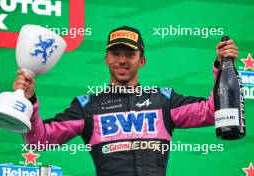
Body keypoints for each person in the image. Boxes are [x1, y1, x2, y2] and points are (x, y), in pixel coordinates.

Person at [14, 26, 238, 176]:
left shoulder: (164, 100)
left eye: (129, 54)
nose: (122, 60)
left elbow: (212, 111)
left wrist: (222, 67)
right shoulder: (87, 107)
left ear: (142, 60)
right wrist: (30, 101)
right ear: (106, 59)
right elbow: (39, 140)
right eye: (115, 53)